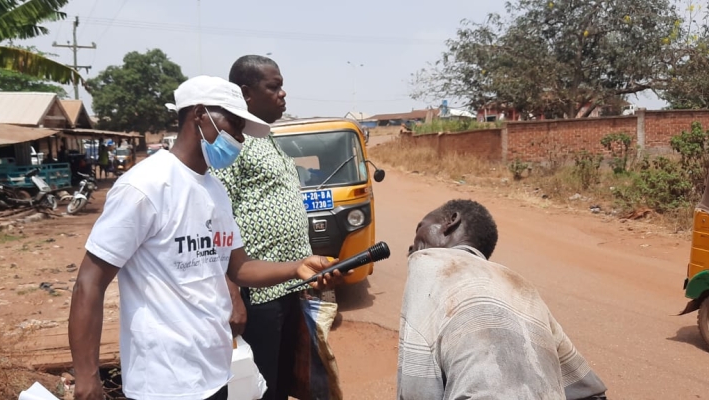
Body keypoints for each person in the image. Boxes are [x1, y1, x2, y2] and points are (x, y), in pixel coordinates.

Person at [68, 76, 345, 400]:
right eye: (235, 125)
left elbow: (239, 268)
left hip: (213, 373)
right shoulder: (145, 187)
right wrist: (87, 377)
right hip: (162, 382)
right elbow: (89, 282)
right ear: (200, 115)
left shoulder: (215, 191)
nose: (240, 138)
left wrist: (298, 267)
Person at [398, 199, 608, 400]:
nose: (412, 245)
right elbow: (589, 391)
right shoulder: (522, 286)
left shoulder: (426, 263)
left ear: (450, 221)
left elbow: (416, 390)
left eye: (420, 228)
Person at [208, 55, 317, 400]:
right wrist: (232, 295)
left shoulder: (267, 139)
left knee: (284, 380)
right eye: (274, 86)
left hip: (284, 285)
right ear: (246, 93)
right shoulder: (231, 144)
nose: (283, 94)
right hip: (257, 293)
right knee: (261, 383)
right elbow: (216, 220)